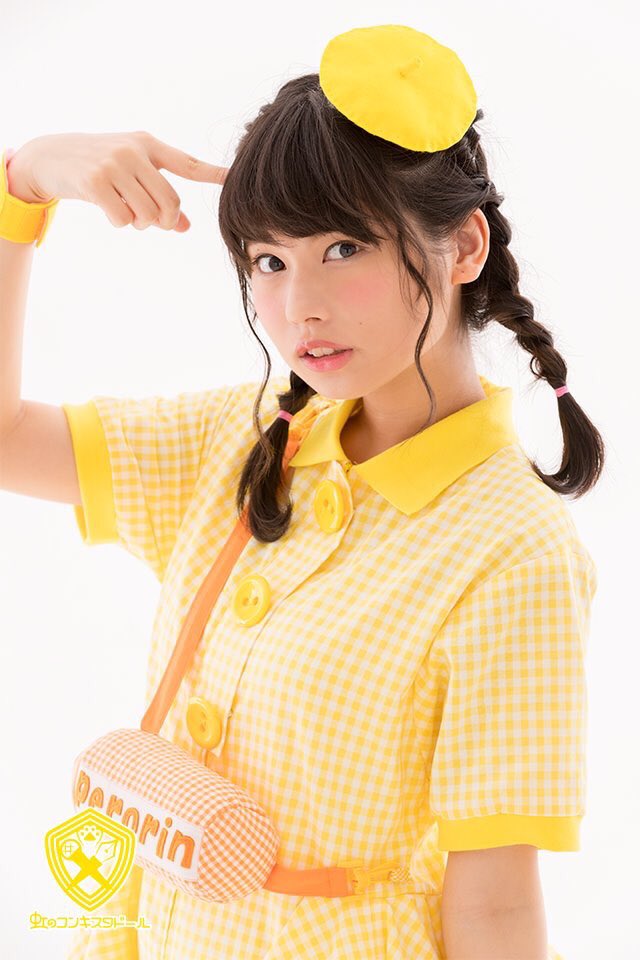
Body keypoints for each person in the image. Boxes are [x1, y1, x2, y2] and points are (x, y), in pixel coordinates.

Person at [0, 24, 603, 960]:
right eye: (269, 262)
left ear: (464, 245)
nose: (297, 308)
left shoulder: (512, 550)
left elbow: (493, 910)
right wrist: (23, 187)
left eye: (344, 247)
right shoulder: (250, 438)